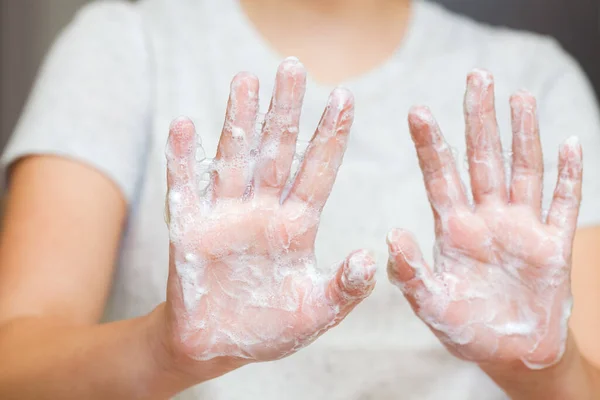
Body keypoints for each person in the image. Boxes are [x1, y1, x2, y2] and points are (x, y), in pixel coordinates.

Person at [0, 0, 599, 398]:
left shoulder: (536, 79)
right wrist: (163, 351)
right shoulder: (128, 44)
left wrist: (544, 369)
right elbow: (14, 358)